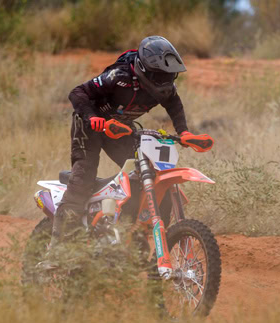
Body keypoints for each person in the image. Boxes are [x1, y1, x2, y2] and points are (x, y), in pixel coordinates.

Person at [51, 36, 200, 244]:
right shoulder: (119, 76)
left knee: (144, 174)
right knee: (83, 177)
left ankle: (129, 234)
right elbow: (78, 92)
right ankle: (58, 246)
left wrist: (184, 133)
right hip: (90, 126)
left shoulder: (165, 88)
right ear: (145, 70)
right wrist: (92, 118)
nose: (166, 81)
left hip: (120, 130)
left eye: (170, 75)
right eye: (160, 75)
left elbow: (174, 105)